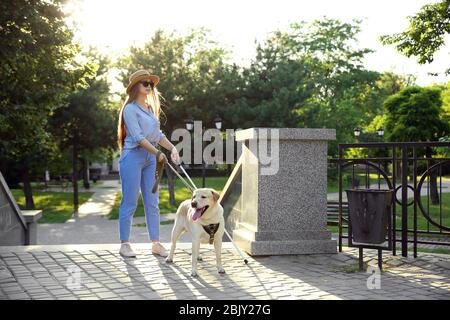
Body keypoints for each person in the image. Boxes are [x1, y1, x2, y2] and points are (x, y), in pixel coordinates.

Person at [117, 69, 180, 258]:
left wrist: (172, 149)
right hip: (133, 157)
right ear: (136, 86)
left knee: (152, 203)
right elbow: (137, 137)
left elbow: (157, 136)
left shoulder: (150, 110)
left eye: (150, 84)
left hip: (150, 159)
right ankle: (125, 244)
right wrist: (158, 153)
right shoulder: (129, 110)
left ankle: (156, 243)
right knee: (129, 202)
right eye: (145, 83)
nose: (149, 86)